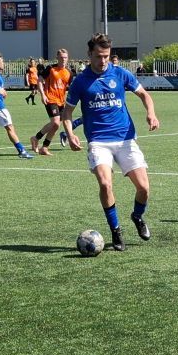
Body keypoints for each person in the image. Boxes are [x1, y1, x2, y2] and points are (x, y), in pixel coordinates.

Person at [62, 33, 160, 251]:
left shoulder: (120, 73)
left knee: (144, 188)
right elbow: (67, 112)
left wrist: (151, 114)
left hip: (125, 139)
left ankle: (137, 216)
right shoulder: (80, 82)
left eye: (106, 56)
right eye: (98, 56)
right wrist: (70, 134)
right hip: (98, 141)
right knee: (106, 184)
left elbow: (144, 95)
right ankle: (115, 230)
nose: (103, 60)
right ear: (89, 54)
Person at [0, 52, 34, 170]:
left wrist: (1, 91)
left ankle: (21, 151)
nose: (4, 63)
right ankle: (22, 151)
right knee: (10, 127)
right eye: (2, 61)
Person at [59, 55, 120, 147]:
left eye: (116, 61)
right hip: (96, 103)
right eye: (113, 60)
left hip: (107, 104)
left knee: (84, 119)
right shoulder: (98, 72)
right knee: (86, 119)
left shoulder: (116, 73)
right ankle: (66, 133)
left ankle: (65, 133)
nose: (115, 62)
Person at [30, 49, 72, 156]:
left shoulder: (69, 72)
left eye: (65, 57)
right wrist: (43, 95)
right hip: (50, 98)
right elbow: (40, 80)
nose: (63, 59)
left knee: (56, 126)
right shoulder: (50, 68)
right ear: (57, 58)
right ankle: (36, 138)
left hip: (61, 102)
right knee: (55, 122)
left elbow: (70, 87)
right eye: (61, 57)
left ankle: (44, 147)